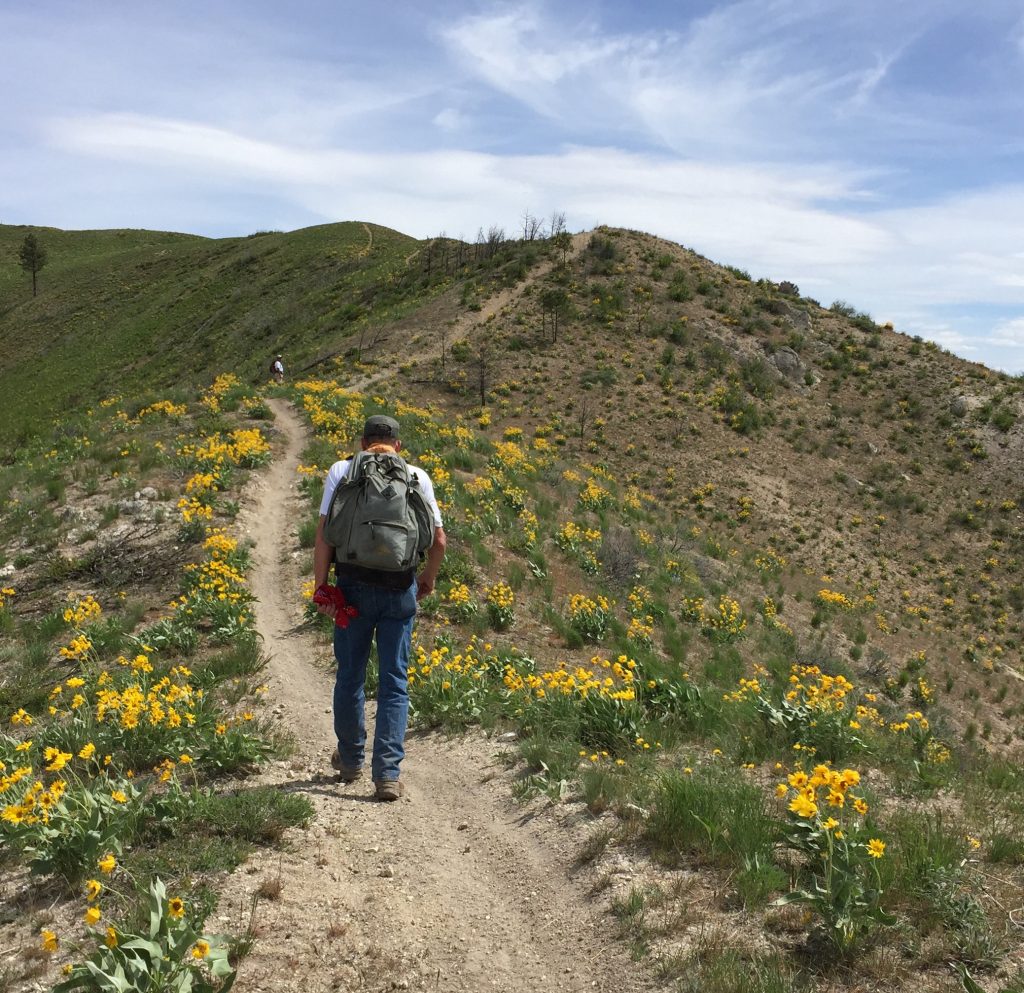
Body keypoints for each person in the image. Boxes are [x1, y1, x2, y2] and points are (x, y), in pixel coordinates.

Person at [313, 414, 446, 801]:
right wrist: (428, 580)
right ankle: (386, 774)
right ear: (398, 446)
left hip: (352, 587)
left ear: (362, 442)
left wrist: (322, 588)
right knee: (394, 683)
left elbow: (325, 537)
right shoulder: (417, 477)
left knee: (350, 675)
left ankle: (351, 760)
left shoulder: (342, 470)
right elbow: (438, 541)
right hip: (398, 589)